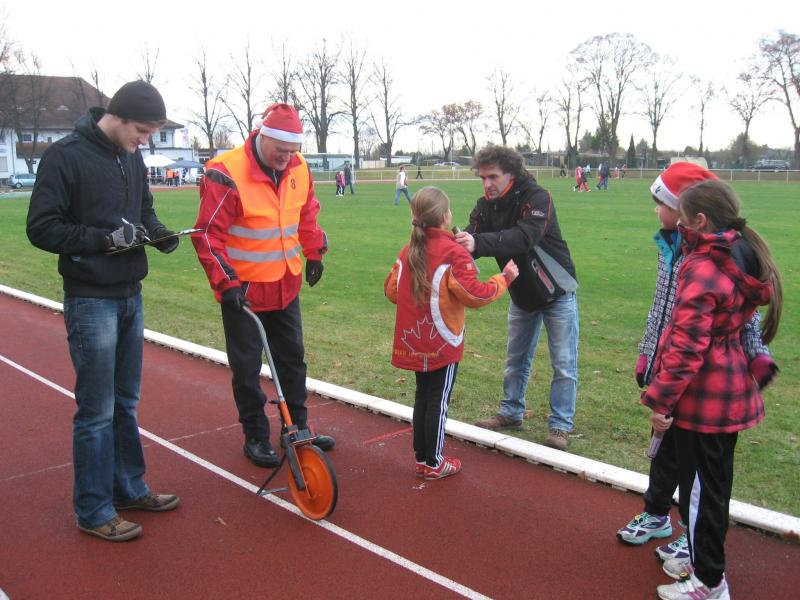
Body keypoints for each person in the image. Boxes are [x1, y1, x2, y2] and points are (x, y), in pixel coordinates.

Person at [26, 80, 182, 543]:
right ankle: (93, 510)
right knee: (97, 410)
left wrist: (159, 233)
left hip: (131, 292)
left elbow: (144, 210)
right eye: (141, 131)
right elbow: (41, 228)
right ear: (117, 116)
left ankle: (129, 488)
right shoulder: (64, 156)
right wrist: (103, 240)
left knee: (126, 403)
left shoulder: (131, 157)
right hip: (90, 297)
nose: (145, 141)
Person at [616, 163, 778, 568]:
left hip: (696, 380)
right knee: (664, 451)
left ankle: (695, 544)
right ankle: (656, 513)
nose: (655, 210)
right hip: (670, 366)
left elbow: (740, 315)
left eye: (661, 203)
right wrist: (647, 352)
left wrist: (757, 353)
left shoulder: (713, 255)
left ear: (689, 212)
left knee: (696, 471)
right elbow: (661, 307)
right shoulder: (671, 246)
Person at [192, 103, 334, 469]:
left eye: (293, 151)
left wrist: (314, 251)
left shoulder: (299, 167)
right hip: (243, 291)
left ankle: (297, 428)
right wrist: (226, 283)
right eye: (281, 150)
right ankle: (255, 434)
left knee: (292, 360)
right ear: (263, 137)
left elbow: (306, 212)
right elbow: (208, 235)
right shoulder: (226, 172)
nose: (287, 158)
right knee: (246, 368)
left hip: (285, 283)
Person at [385, 187, 518, 479]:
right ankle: (433, 462)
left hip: (414, 339)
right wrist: (503, 279)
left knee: (423, 397)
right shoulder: (453, 253)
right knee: (438, 401)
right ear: (445, 216)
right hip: (443, 341)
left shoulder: (407, 251)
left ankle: (424, 458)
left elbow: (392, 291)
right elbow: (476, 294)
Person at [455, 146, 579, 450]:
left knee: (564, 363)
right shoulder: (485, 206)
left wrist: (476, 242)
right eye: (482, 178)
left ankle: (560, 426)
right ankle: (511, 412)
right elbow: (469, 239)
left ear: (512, 173)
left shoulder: (538, 198)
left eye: (493, 177)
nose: (487, 184)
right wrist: (444, 243)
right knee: (515, 359)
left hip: (557, 293)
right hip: (521, 294)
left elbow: (524, 237)